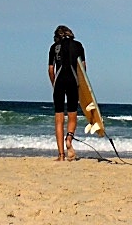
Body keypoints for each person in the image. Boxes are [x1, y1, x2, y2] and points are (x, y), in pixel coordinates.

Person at [47, 25, 86, 161]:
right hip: (73, 81)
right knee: (72, 115)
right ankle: (69, 138)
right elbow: (83, 67)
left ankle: (61, 155)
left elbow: (51, 70)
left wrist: (54, 84)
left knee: (59, 119)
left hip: (59, 81)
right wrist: (81, 86)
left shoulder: (54, 47)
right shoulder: (78, 46)